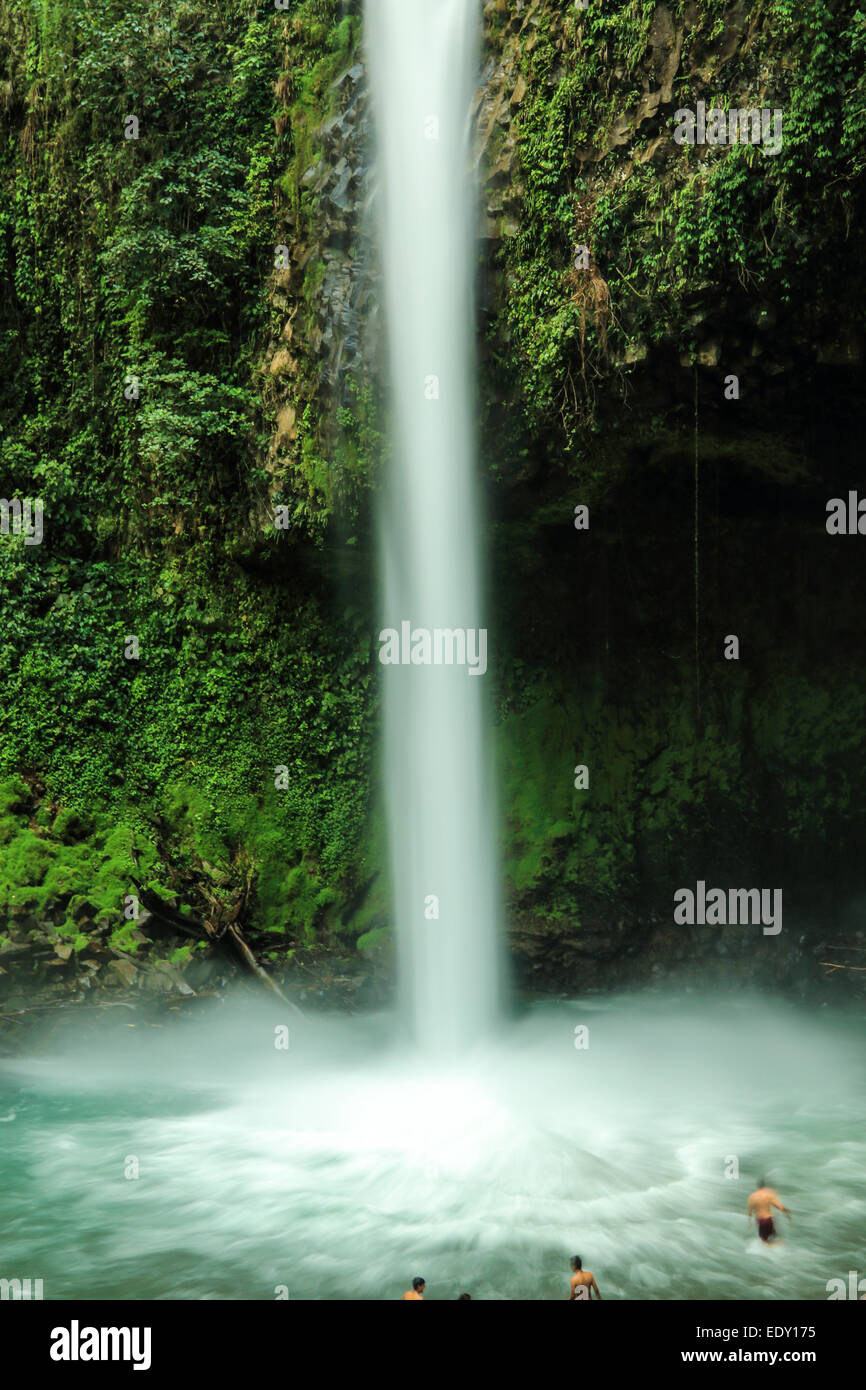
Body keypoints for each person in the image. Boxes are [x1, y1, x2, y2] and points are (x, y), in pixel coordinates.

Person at [747, 1179, 792, 1243]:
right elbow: (779, 1207)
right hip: (768, 1220)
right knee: (775, 1237)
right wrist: (786, 1211)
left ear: (757, 1187)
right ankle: (775, 1248)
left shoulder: (752, 1197)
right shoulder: (768, 1195)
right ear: (764, 1187)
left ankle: (767, 1249)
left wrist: (749, 1222)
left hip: (760, 1221)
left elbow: (750, 1212)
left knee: (764, 1240)